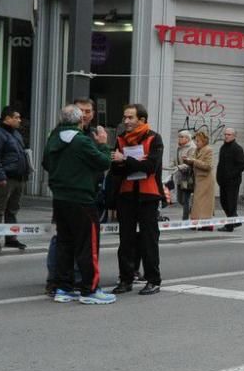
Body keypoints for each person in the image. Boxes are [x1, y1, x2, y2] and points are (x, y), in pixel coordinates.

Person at [42, 105, 116, 304]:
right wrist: (102, 144)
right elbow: (103, 162)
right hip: (82, 198)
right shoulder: (81, 141)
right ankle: (89, 290)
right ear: (80, 121)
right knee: (88, 245)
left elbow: (46, 163)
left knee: (65, 244)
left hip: (60, 197)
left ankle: (63, 288)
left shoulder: (53, 138)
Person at [109, 104, 165, 296]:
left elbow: (150, 166)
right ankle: (125, 279)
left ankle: (153, 280)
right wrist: (124, 163)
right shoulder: (121, 139)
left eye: (130, 118)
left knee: (149, 239)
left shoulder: (154, 138)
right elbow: (115, 170)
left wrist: (124, 161)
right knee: (125, 240)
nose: (126, 121)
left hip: (148, 196)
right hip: (126, 195)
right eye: (125, 117)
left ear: (141, 120)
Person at [0, 106, 30, 252]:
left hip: (18, 178)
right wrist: (0, 176)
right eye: (16, 117)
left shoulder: (15, 134)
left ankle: (11, 238)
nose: (19, 120)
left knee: (13, 209)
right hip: (4, 178)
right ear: (7, 118)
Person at [216, 127, 244, 231]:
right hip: (223, 181)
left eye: (229, 135)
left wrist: (231, 175)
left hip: (233, 182)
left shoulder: (237, 148)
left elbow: (242, 165)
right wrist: (218, 177)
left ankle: (229, 226)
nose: (226, 136)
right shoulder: (223, 147)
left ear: (234, 136)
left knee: (231, 203)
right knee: (224, 202)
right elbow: (221, 164)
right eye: (225, 134)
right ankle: (235, 221)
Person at [186, 131, 215, 223]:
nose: (196, 143)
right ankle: (197, 221)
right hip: (198, 179)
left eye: (198, 141)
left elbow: (208, 166)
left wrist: (194, 160)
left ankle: (202, 222)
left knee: (202, 202)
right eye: (195, 141)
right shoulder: (197, 150)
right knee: (198, 202)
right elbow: (193, 162)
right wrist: (187, 160)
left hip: (205, 179)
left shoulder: (208, 150)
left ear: (204, 141)